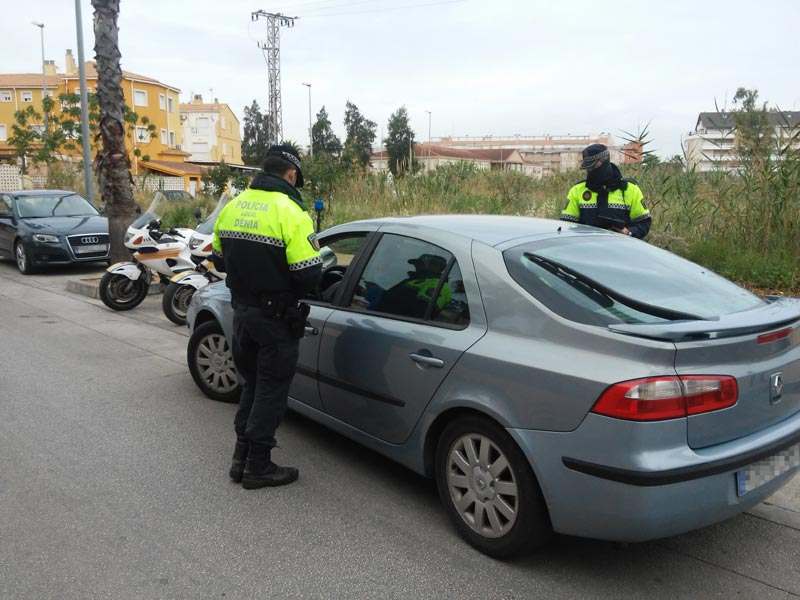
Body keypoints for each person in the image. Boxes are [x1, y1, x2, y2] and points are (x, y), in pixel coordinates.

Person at [212, 144, 322, 489]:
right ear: (290, 175)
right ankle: (258, 467)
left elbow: (218, 260)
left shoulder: (233, 207)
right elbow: (308, 276)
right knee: (271, 391)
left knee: (252, 386)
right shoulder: (290, 211)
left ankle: (240, 459)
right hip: (275, 322)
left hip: (242, 314)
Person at [560, 144, 651, 239]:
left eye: (594, 166)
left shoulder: (630, 189)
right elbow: (567, 225)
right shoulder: (577, 190)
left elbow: (644, 223)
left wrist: (628, 233)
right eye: (588, 168)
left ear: (605, 161)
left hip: (621, 249)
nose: (590, 170)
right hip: (587, 248)